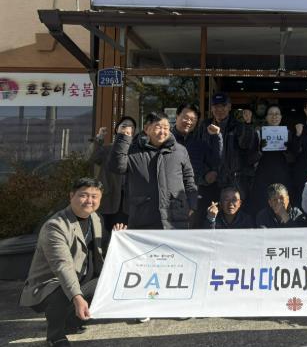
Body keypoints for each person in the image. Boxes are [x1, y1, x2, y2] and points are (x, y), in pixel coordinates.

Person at [19, 178, 123, 346]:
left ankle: (71, 323)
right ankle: (55, 336)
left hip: (82, 279)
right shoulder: (55, 226)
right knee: (63, 288)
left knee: (114, 280)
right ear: (71, 196)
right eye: (84, 195)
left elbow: (102, 253)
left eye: (94, 196)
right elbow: (62, 267)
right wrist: (77, 297)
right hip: (49, 285)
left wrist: (116, 239)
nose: (89, 201)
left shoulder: (96, 218)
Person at [108, 111, 197, 229]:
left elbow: (189, 179)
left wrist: (192, 204)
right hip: (143, 216)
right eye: (158, 127)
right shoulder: (133, 150)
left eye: (166, 128)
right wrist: (123, 138)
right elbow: (117, 167)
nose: (163, 131)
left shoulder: (180, 150)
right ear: (146, 129)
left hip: (176, 217)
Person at [198, 93, 256, 217]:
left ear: (229, 107)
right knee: (210, 215)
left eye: (223, 106)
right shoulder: (204, 125)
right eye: (216, 106)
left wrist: (248, 125)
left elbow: (248, 148)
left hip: (234, 182)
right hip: (211, 182)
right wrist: (205, 175)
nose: (219, 109)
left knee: (236, 217)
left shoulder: (239, 125)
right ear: (211, 108)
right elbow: (199, 154)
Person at [171, 103, 223, 224]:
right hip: (170, 198)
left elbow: (216, 160)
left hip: (193, 198)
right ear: (177, 116)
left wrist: (217, 137)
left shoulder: (198, 143)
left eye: (193, 119)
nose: (189, 122)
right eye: (185, 117)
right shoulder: (166, 139)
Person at [86, 116, 136, 233]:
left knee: (123, 233)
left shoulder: (136, 150)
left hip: (128, 201)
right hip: (109, 197)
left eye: (131, 127)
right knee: (104, 231)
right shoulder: (108, 149)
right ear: (117, 129)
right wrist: (99, 138)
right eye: (124, 126)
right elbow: (90, 158)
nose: (127, 129)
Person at [250, 105, 294, 215]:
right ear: (266, 117)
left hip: (282, 176)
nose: (274, 116)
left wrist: (287, 151)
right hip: (263, 177)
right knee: (262, 207)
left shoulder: (288, 133)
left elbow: (293, 159)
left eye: (277, 114)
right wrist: (260, 150)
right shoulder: (259, 133)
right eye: (271, 114)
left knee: (282, 208)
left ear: (281, 117)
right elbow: (250, 158)